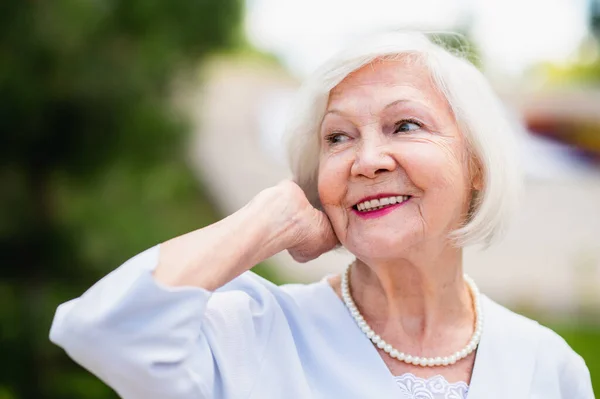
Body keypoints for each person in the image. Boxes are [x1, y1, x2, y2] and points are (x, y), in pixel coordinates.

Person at [49, 32, 594, 398]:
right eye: (338, 137)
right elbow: (105, 331)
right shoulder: (253, 332)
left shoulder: (547, 366)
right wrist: (271, 215)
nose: (367, 160)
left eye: (405, 125)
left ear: (477, 163)